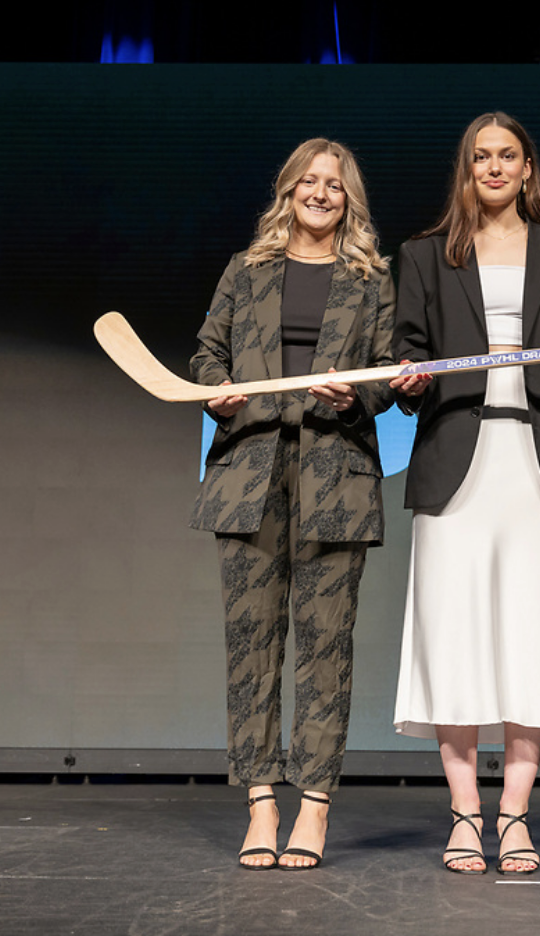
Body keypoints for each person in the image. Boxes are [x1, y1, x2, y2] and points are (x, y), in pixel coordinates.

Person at [390, 112, 540, 875]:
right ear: (468, 168)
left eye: (506, 155)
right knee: (453, 637)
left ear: (526, 168)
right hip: (456, 463)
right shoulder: (424, 255)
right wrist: (409, 378)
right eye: (480, 156)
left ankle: (513, 816)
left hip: (536, 462)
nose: (493, 167)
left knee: (533, 638)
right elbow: (407, 354)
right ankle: (464, 814)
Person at [189, 139, 396, 871]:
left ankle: (313, 805)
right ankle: (259, 803)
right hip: (249, 473)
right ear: (288, 191)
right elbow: (206, 353)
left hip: (336, 475)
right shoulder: (246, 270)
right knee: (251, 645)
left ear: (349, 199)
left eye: (334, 184)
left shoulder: (372, 278)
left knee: (325, 647)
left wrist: (356, 395)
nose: (320, 193)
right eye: (308, 181)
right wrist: (217, 391)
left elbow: (388, 372)